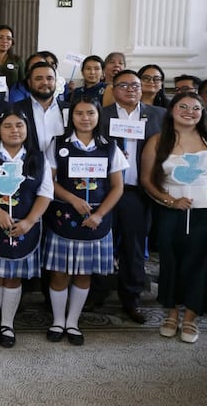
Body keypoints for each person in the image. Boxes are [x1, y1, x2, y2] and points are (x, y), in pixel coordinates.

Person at [43, 98, 127, 346]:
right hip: (63, 219)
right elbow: (50, 182)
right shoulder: (58, 144)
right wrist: (73, 199)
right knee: (59, 274)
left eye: (90, 113)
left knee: (83, 274)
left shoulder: (110, 146)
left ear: (98, 115)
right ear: (72, 117)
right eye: (79, 113)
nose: (85, 118)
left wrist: (99, 214)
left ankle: (73, 322)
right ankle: (58, 320)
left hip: (96, 220)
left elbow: (117, 187)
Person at [0, 109, 53, 348]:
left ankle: (8, 324)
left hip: (24, 226)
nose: (14, 130)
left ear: (27, 129)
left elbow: (45, 193)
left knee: (14, 277)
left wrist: (30, 221)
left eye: (19, 126)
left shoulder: (38, 157)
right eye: (8, 126)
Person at [93, 69, 165, 322]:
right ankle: (97, 292)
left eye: (136, 85)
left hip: (137, 189)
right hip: (105, 191)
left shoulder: (158, 116)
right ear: (113, 88)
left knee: (133, 246)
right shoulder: (100, 114)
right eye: (124, 85)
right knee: (102, 243)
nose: (132, 89)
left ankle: (131, 298)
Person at [140, 92, 207, 344]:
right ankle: (171, 313)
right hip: (170, 211)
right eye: (183, 106)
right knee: (171, 262)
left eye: (196, 108)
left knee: (199, 265)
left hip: (204, 212)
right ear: (171, 110)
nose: (190, 111)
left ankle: (190, 317)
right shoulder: (158, 141)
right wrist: (171, 201)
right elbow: (146, 179)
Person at [14, 61, 68, 155]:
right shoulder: (15, 109)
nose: (45, 82)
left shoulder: (69, 109)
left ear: (55, 81)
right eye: (38, 78)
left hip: (61, 166)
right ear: (29, 82)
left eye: (49, 78)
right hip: (28, 166)